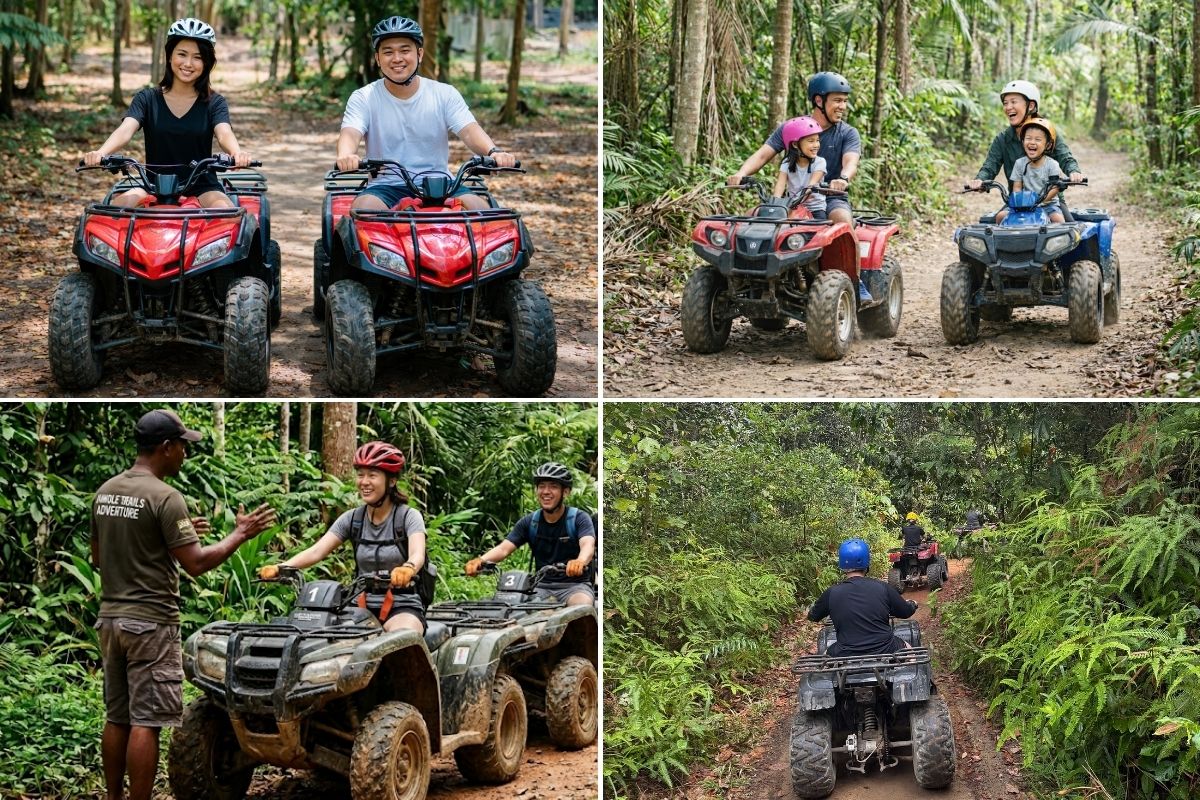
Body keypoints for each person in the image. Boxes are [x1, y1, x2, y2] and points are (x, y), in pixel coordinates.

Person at [91, 408, 276, 800]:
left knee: (117, 717)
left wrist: (168, 540)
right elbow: (197, 563)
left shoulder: (106, 491)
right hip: (151, 623)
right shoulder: (166, 496)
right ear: (165, 447)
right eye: (181, 446)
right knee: (146, 721)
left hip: (110, 620)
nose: (184, 454)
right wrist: (239, 535)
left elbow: (99, 557)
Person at [336, 16, 518, 212]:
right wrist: (346, 155)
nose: (397, 58)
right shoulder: (364, 97)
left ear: (420, 54)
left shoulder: (444, 93)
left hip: (441, 183)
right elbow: (351, 132)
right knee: (364, 210)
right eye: (388, 52)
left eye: (405, 50)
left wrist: (494, 152)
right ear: (378, 59)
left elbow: (469, 130)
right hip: (386, 186)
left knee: (483, 212)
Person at [259, 441, 429, 633]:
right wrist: (281, 568)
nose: (364, 482)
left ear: (391, 481)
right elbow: (317, 551)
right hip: (359, 606)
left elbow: (417, 554)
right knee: (326, 639)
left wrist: (408, 568)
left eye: (372, 475)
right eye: (361, 475)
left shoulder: (408, 516)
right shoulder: (353, 519)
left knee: (402, 638)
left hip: (402, 605)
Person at [82, 18, 252, 209]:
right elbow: (125, 130)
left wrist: (236, 153)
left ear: (206, 62)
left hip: (202, 186)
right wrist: (101, 153)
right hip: (153, 185)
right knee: (114, 209)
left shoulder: (215, 102)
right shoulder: (147, 98)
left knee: (226, 213)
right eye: (182, 54)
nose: (188, 63)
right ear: (170, 56)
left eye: (197, 57)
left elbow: (224, 133)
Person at [729, 72, 869, 300]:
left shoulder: (847, 133)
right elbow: (763, 154)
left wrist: (843, 178)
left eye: (845, 101)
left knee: (842, 220)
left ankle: (855, 280)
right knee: (748, 220)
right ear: (819, 100)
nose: (843, 106)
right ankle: (743, 278)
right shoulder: (794, 128)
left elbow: (850, 161)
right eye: (837, 100)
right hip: (792, 199)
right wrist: (741, 173)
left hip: (830, 196)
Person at [465, 461, 596, 606]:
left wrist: (580, 561)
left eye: (553, 486)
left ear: (565, 492)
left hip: (574, 587)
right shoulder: (530, 522)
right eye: (541, 486)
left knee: (581, 607)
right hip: (540, 587)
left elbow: (588, 545)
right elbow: (503, 549)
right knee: (519, 612)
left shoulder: (578, 518)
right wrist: (480, 561)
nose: (546, 491)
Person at [967, 80, 1083, 217]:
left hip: (1049, 202)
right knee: (996, 225)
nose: (1008, 107)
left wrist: (1074, 172)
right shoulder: (1003, 139)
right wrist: (980, 180)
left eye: (1013, 102)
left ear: (1031, 106)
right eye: (1005, 103)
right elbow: (989, 167)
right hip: (1018, 203)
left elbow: (1065, 158)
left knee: (1067, 228)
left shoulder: (1048, 133)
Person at [808, 538, 917, 656]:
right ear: (867, 563)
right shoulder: (883, 587)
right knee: (909, 651)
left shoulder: (831, 593)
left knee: (824, 658)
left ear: (842, 565)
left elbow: (813, 616)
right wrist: (912, 604)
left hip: (845, 652)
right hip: (886, 648)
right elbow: (905, 612)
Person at [996, 117, 1066, 224]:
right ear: (1023, 141)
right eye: (1028, 138)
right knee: (1000, 216)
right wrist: (1020, 202)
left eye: (1038, 139)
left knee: (1058, 220)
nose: (1032, 142)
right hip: (1024, 204)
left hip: (1048, 204)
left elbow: (1055, 188)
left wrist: (1039, 201)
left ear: (1048, 145)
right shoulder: (1019, 163)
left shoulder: (1052, 165)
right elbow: (1017, 187)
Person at [772, 116, 827, 220]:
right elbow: (780, 186)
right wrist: (775, 204)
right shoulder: (786, 163)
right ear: (795, 144)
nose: (816, 145)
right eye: (811, 141)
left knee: (820, 226)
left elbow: (810, 187)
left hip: (815, 209)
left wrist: (796, 202)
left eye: (817, 140)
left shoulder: (820, 162)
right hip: (791, 207)